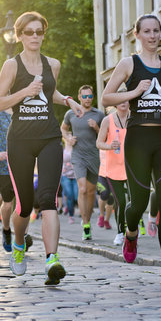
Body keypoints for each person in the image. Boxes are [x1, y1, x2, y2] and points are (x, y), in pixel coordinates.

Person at [0, 11, 84, 285]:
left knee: (48, 200)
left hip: (48, 137)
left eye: (39, 32)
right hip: (19, 140)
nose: (35, 36)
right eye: (29, 32)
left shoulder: (52, 64)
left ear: (44, 34)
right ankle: (19, 245)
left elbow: (50, 92)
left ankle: (52, 260)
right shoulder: (11, 65)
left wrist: (69, 101)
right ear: (20, 35)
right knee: (23, 206)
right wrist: (25, 92)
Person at [101, 14, 161, 286]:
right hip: (138, 137)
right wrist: (133, 92)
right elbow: (106, 97)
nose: (152, 36)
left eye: (156, 31)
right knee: (137, 202)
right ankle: (130, 233)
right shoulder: (129, 63)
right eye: (147, 31)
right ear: (137, 35)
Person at [0, 107, 32, 252]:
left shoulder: (25, 114)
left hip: (23, 165)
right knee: (8, 204)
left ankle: (22, 235)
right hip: (3, 167)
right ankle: (6, 229)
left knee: (24, 204)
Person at [61, 85, 105, 241]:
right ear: (79, 97)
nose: (87, 99)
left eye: (90, 96)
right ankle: (85, 224)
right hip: (78, 156)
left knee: (92, 192)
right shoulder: (71, 113)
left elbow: (105, 136)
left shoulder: (99, 114)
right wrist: (68, 138)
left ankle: (88, 220)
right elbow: (63, 129)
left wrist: (97, 127)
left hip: (94, 156)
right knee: (83, 189)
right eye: (84, 96)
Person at [96, 99, 130, 246]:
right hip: (113, 167)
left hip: (132, 166)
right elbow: (99, 143)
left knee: (134, 202)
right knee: (120, 202)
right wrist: (109, 146)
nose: (123, 103)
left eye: (126, 100)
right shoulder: (107, 120)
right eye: (120, 100)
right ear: (115, 103)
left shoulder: (135, 118)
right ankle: (121, 233)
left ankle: (132, 229)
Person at [60, 139, 78, 225]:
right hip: (65, 176)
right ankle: (71, 216)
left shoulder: (77, 149)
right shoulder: (62, 149)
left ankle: (71, 208)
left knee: (76, 196)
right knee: (70, 195)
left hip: (76, 175)